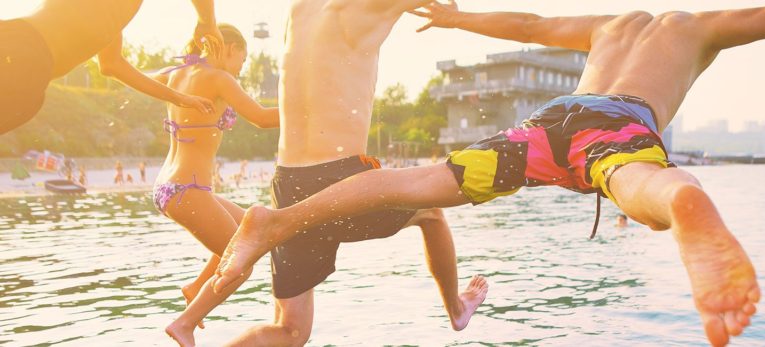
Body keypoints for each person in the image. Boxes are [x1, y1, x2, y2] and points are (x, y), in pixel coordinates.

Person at [214, 1, 765, 346]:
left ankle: (280, 219)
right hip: (618, 123)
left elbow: (529, 23)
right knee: (638, 183)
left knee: (420, 182)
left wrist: (454, 17)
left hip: (551, 123)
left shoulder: (610, 23)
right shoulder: (699, 26)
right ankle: (686, 204)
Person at [214, 1, 490, 346]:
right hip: (339, 178)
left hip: (287, 183)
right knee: (431, 212)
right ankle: (457, 309)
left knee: (290, 330)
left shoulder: (300, 9)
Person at [147, 24, 281, 346]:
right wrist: (309, 111)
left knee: (251, 228)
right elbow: (262, 118)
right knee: (241, 262)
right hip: (187, 190)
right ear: (229, 48)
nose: (242, 66)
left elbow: (149, 79)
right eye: (242, 58)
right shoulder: (221, 79)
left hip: (170, 186)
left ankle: (196, 288)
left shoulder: (179, 72)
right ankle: (185, 323)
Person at [0, 0, 224, 134]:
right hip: (19, 52)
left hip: (30, 70)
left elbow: (112, 65)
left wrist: (179, 98)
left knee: (28, 105)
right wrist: (207, 22)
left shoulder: (114, 12)